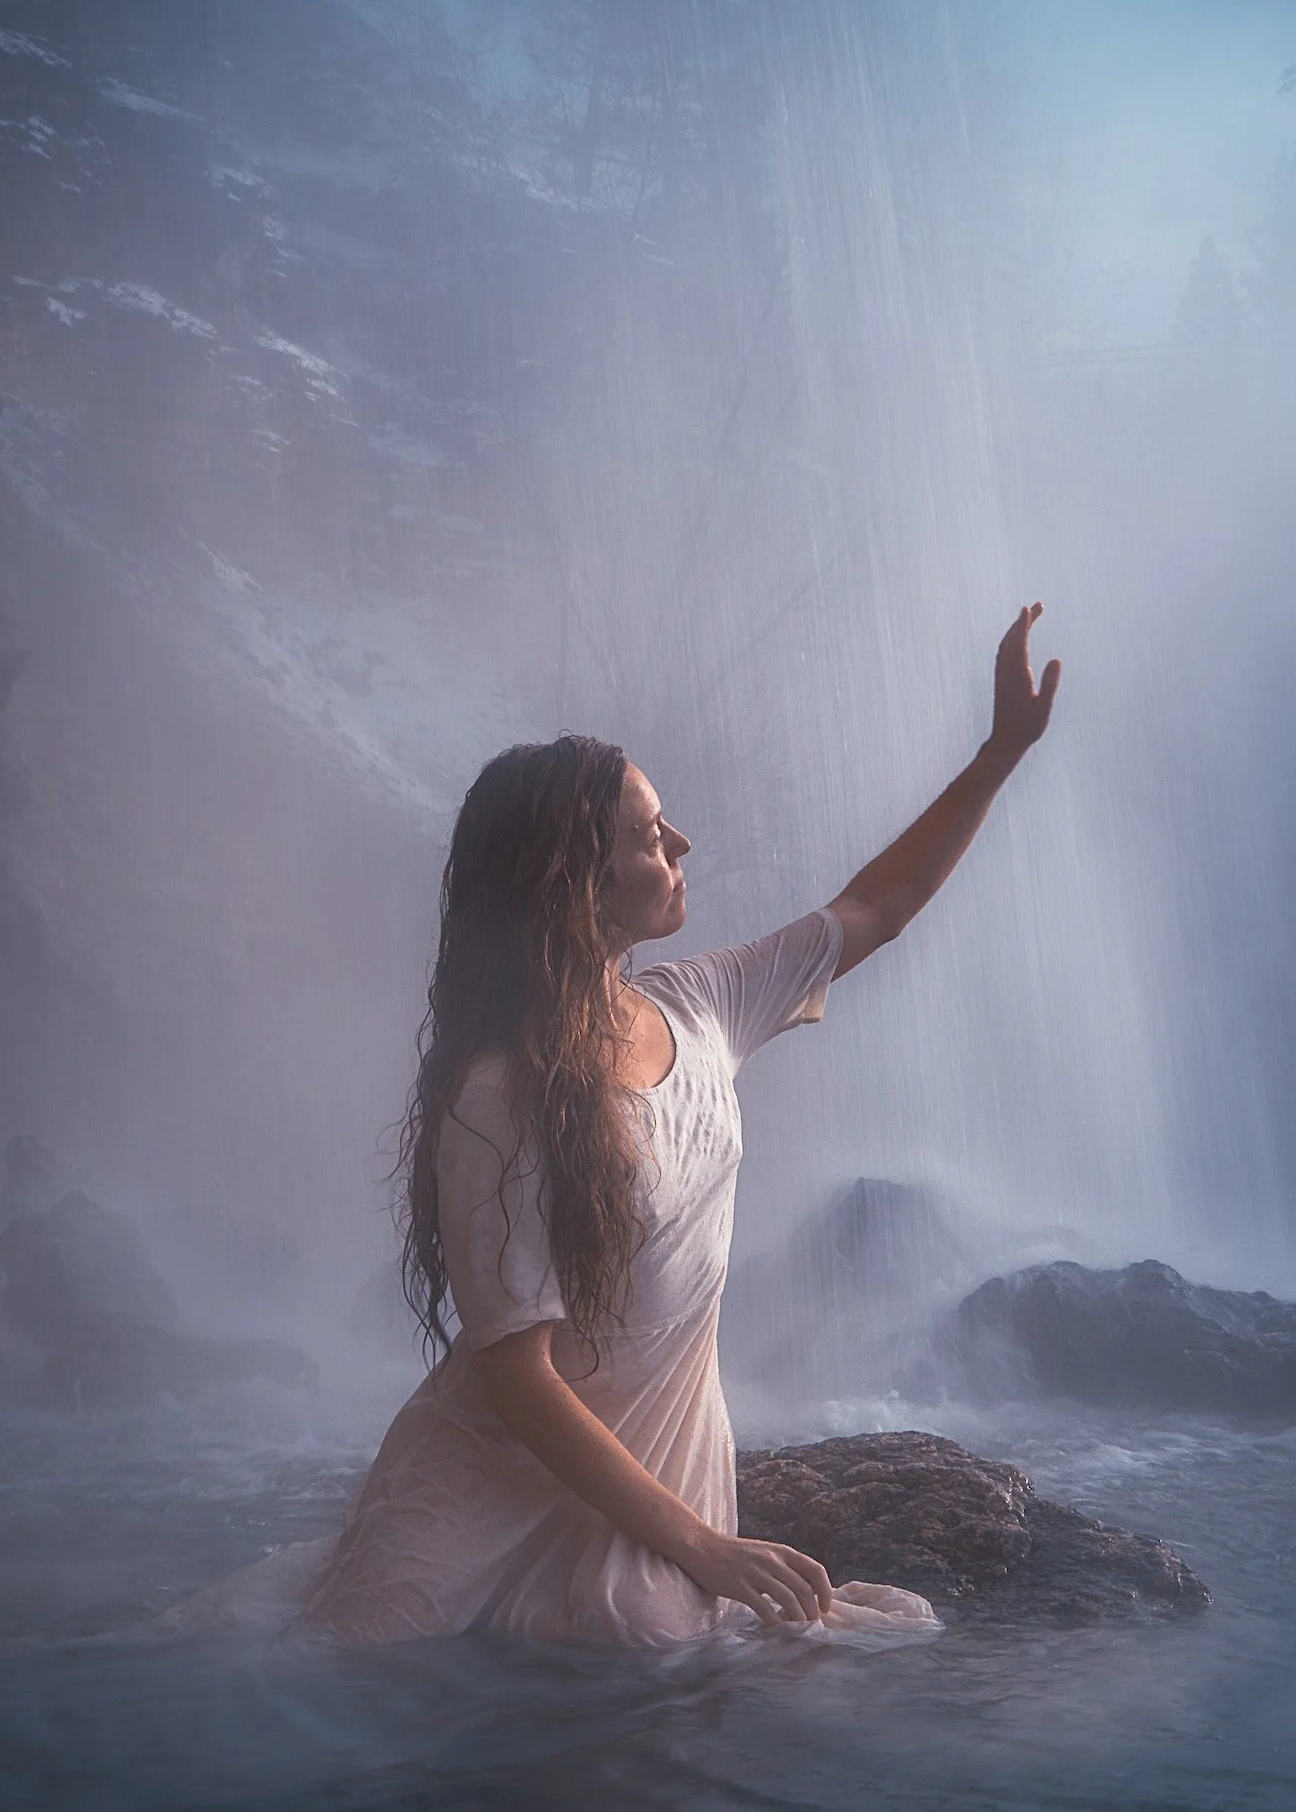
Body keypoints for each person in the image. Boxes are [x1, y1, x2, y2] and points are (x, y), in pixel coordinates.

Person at [242, 608, 1062, 1647]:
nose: (680, 844)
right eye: (646, 833)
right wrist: (703, 1546)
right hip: (482, 1519)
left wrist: (998, 754)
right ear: (574, 886)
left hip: (652, 1487)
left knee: (677, 1670)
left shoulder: (701, 1004)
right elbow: (514, 1373)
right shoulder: (500, 1093)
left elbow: (876, 904)